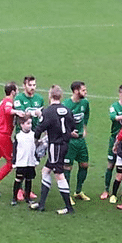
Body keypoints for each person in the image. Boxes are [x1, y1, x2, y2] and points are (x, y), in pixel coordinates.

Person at [30, 85, 75, 215]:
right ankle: (41, 204)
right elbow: (72, 126)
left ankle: (69, 207)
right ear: (61, 96)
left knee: (58, 174)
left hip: (55, 146)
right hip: (65, 144)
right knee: (45, 170)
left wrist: (37, 142)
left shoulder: (48, 111)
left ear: (50, 96)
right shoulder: (67, 110)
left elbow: (39, 129)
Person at [101, 84, 122, 201]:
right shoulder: (114, 106)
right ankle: (106, 190)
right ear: (120, 94)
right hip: (115, 139)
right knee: (111, 164)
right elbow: (113, 117)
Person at [63, 81, 91, 203]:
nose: (85, 92)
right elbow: (61, 123)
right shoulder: (66, 105)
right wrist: (69, 133)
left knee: (84, 165)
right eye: (83, 90)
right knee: (67, 167)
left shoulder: (85, 103)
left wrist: (84, 128)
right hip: (70, 142)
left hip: (80, 140)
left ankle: (78, 191)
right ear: (75, 91)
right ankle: (67, 194)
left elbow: (86, 115)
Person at [11, 116, 38, 206]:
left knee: (29, 179)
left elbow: (35, 148)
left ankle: (27, 197)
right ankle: (14, 198)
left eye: (30, 123)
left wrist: (36, 159)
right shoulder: (18, 136)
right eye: (28, 123)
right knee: (18, 180)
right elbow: (15, 149)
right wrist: (14, 161)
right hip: (21, 162)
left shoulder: (33, 135)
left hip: (30, 161)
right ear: (21, 125)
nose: (30, 125)